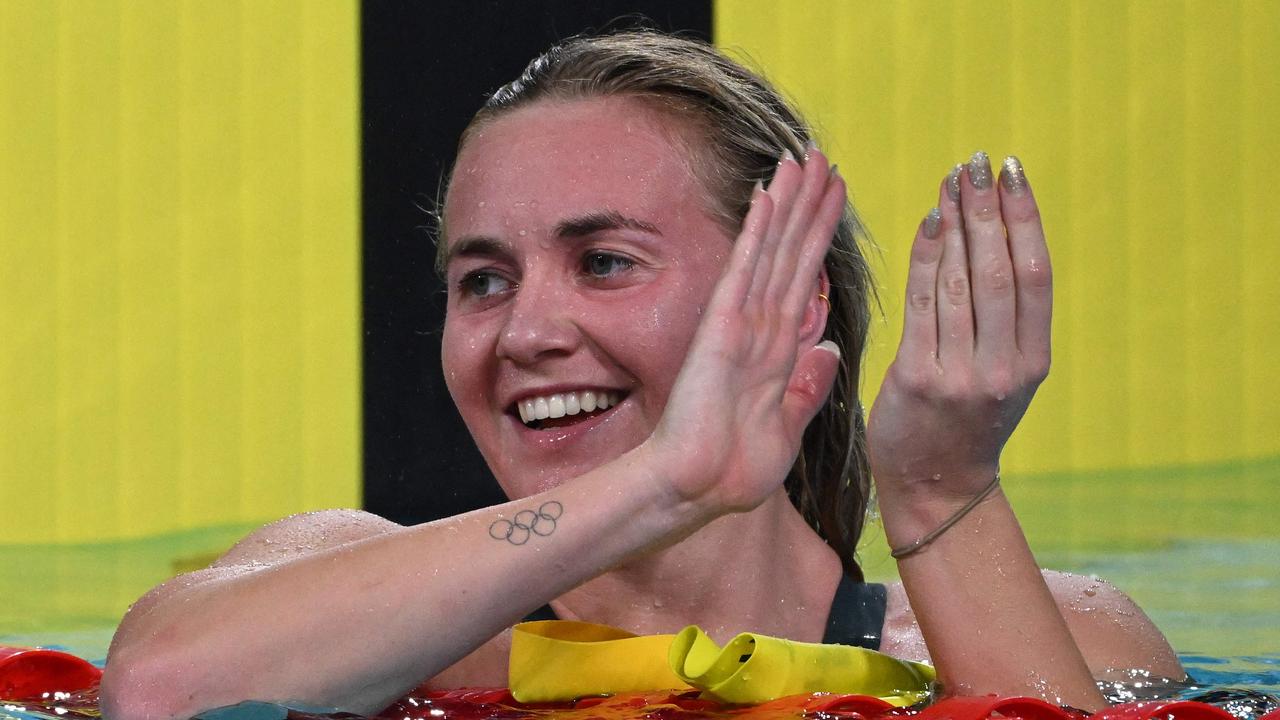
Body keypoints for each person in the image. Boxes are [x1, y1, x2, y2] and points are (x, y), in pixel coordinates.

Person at [100, 30, 1184, 720]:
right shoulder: (355, 607)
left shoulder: (1065, 636)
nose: (524, 330)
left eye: (603, 263)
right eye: (481, 281)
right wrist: (668, 481)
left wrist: (946, 501)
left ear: (795, 300)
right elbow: (154, 693)